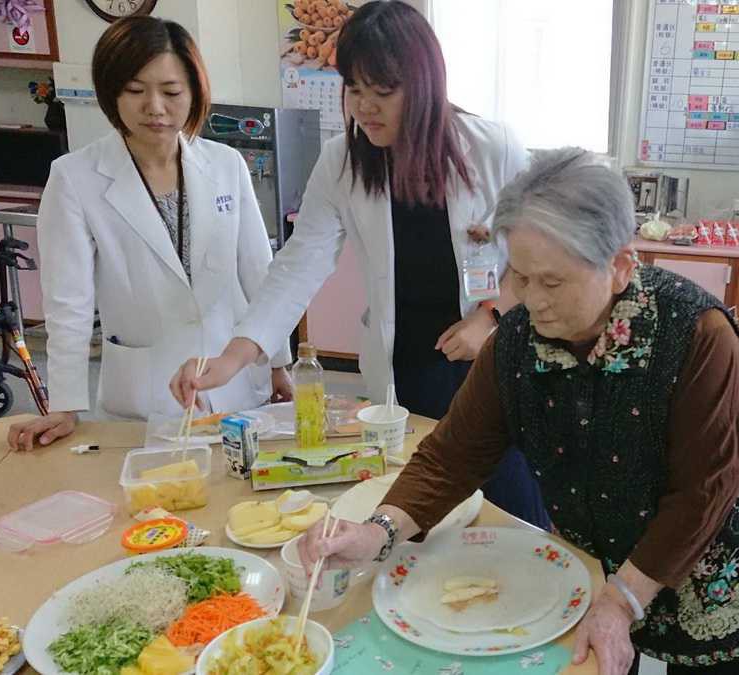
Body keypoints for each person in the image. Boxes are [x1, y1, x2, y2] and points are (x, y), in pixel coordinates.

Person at [297, 148, 739, 674]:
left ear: (620, 266)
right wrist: (376, 532)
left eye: (553, 282)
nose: (532, 299)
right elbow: (453, 456)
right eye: (519, 276)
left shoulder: (697, 334)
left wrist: (622, 598)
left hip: (709, 554)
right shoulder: (514, 341)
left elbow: (705, 491)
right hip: (603, 545)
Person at [168, 0, 548, 527]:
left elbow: (540, 249)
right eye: (355, 89)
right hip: (408, 363)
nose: (365, 108)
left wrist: (490, 317)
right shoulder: (343, 161)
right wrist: (233, 357)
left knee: (512, 505)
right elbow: (298, 265)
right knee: (422, 501)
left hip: (490, 357)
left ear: (424, 85)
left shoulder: (492, 149)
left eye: (383, 92)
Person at [8, 16, 290, 451]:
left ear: (194, 91)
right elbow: (69, 303)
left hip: (233, 384)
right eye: (135, 91)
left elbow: (260, 273)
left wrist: (276, 362)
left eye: (171, 92)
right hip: (144, 394)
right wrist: (64, 404)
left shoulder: (226, 164)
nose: (155, 107)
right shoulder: (75, 178)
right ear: (111, 93)